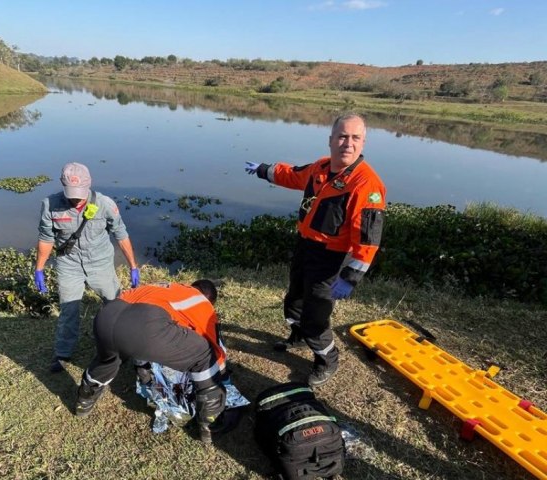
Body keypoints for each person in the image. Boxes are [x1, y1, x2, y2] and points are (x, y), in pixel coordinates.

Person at [245, 113, 386, 387]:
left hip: (332, 259)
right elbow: (292, 175)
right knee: (294, 300)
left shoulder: (366, 184)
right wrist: (263, 169)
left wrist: (350, 277)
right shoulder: (320, 168)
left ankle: (327, 359)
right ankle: (297, 337)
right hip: (306, 246)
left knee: (315, 317)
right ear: (331, 140)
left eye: (355, 138)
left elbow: (368, 239)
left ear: (363, 142)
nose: (348, 143)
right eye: (343, 136)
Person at [74, 280, 232, 444]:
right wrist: (219, 373)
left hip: (106, 317)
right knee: (204, 355)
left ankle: (83, 404)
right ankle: (210, 427)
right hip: (145, 326)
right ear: (210, 300)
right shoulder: (201, 302)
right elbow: (214, 349)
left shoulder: (166, 287)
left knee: (107, 361)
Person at [34, 162, 140, 373]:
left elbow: (121, 234)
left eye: (80, 193)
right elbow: (46, 238)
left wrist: (133, 266)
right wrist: (39, 269)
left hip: (100, 263)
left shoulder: (105, 204)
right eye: (71, 193)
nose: (76, 199)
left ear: (89, 184)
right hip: (68, 264)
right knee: (68, 311)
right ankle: (62, 354)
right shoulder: (50, 205)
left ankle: (122, 347)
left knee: (115, 306)